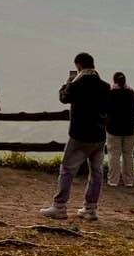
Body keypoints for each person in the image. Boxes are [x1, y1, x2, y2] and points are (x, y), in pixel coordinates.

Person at [39, 52, 110, 221]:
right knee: (97, 173)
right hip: (99, 136)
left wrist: (68, 83)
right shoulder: (105, 86)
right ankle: (90, 209)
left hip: (79, 135)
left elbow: (64, 98)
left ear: (78, 66)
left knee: (67, 170)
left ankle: (59, 206)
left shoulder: (77, 84)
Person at [106, 72, 134, 188]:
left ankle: (113, 180)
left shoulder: (110, 93)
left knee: (114, 155)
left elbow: (106, 108)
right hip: (129, 129)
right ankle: (129, 180)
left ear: (114, 80)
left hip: (113, 129)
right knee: (128, 155)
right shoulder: (130, 92)